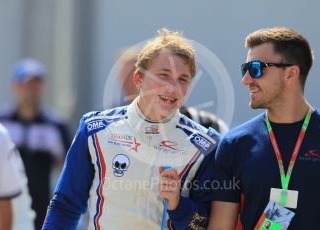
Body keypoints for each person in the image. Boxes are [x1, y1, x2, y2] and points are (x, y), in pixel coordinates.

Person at [42, 28, 220, 229]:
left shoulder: (204, 145)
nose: (173, 87)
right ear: (139, 79)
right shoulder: (95, 130)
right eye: (164, 75)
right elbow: (65, 206)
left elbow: (204, 223)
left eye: (183, 79)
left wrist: (178, 205)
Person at [208, 27, 320, 229]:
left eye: (255, 69)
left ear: (291, 73)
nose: (245, 80)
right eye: (244, 69)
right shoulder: (234, 143)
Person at [0, 58, 72, 230]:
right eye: (26, 84)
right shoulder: (1, 123)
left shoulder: (55, 125)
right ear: (14, 86)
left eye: (36, 84)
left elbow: (67, 168)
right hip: (4, 203)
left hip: (42, 207)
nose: (31, 90)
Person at [113, 47, 228, 134]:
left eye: (182, 79)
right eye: (123, 74)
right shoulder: (107, 123)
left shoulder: (208, 125)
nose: (171, 86)